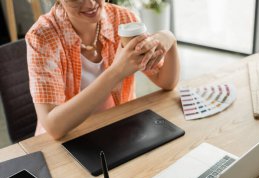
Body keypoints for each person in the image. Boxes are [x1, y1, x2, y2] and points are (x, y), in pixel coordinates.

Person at [26, 0, 180, 140]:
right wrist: (116, 71)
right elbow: (54, 127)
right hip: (67, 140)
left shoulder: (123, 19)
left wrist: (169, 38)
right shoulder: (42, 37)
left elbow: (166, 82)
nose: (90, 4)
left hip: (118, 129)